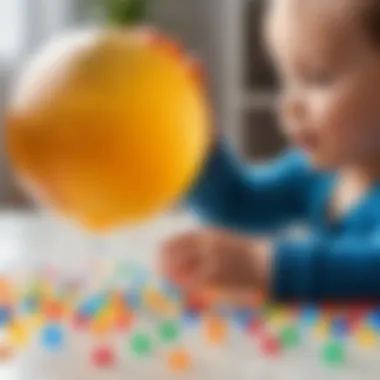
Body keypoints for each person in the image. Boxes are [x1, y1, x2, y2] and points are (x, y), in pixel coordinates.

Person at [160, 0, 380, 302]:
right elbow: (239, 202)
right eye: (285, 79)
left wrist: (261, 264)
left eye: (316, 78)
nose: (288, 105)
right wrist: (195, 135)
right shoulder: (316, 173)